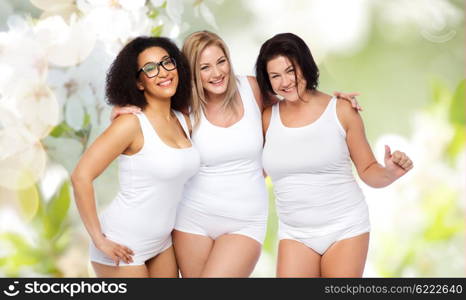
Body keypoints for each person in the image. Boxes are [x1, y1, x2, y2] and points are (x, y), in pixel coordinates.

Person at [111, 30, 361, 278]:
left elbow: (294, 100)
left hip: (245, 221)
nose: (217, 73)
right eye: (204, 67)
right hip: (192, 219)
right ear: (192, 72)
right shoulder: (184, 105)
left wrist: (334, 102)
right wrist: (122, 110)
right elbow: (150, 123)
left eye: (221, 62)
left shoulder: (251, 89)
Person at [256, 33, 413, 277]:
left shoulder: (341, 110)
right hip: (295, 234)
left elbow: (369, 171)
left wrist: (391, 172)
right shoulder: (266, 119)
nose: (285, 81)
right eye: (275, 76)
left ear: (305, 66)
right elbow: (253, 174)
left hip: (345, 228)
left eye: (290, 70)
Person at [71, 36, 200, 278]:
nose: (163, 72)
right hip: (123, 245)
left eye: (166, 63)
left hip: (162, 243)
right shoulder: (130, 123)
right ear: (139, 83)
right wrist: (99, 239)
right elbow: (81, 177)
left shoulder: (183, 119)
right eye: (150, 68)